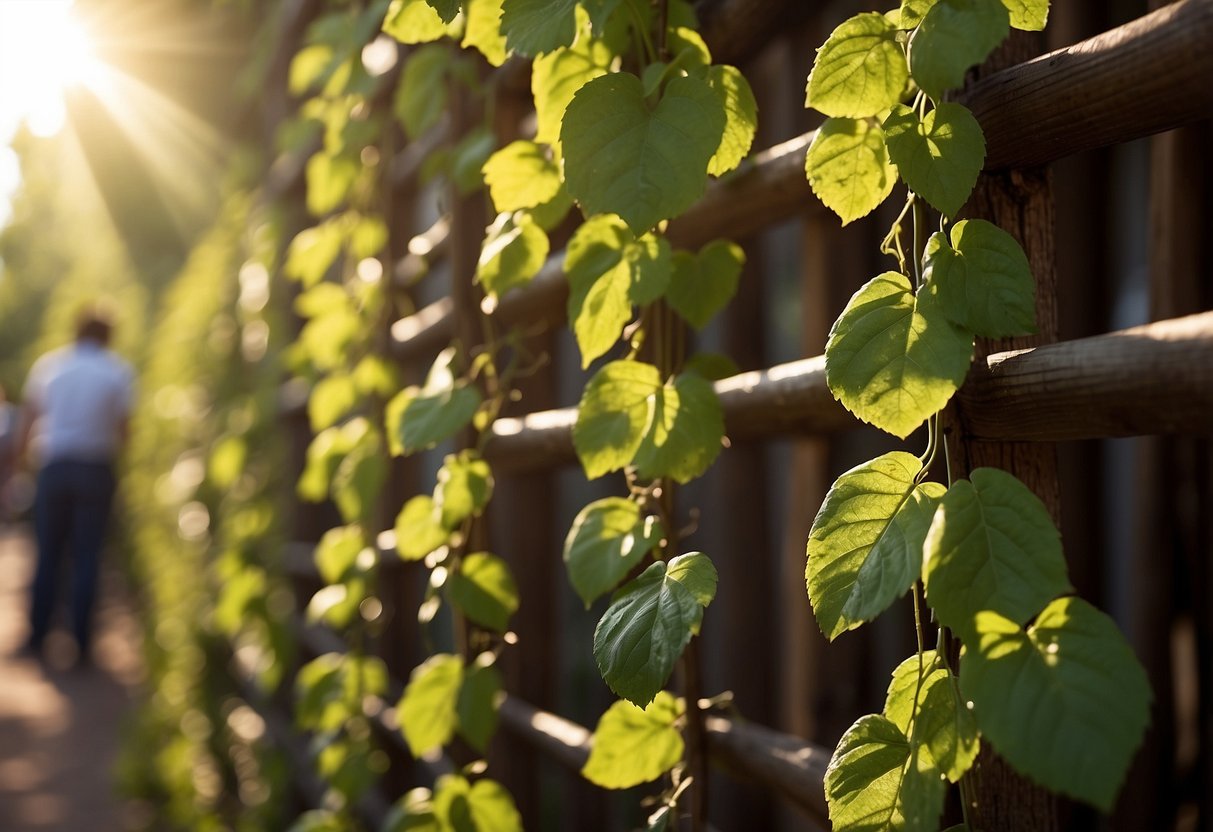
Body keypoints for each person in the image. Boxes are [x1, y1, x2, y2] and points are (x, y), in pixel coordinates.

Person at [16, 305, 134, 664]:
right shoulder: (118, 372)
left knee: (48, 552)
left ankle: (37, 638)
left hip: (54, 466)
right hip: (96, 469)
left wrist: (20, 465)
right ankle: (81, 644)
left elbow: (29, 420)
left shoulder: (51, 366)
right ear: (108, 335)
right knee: (88, 556)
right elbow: (125, 431)